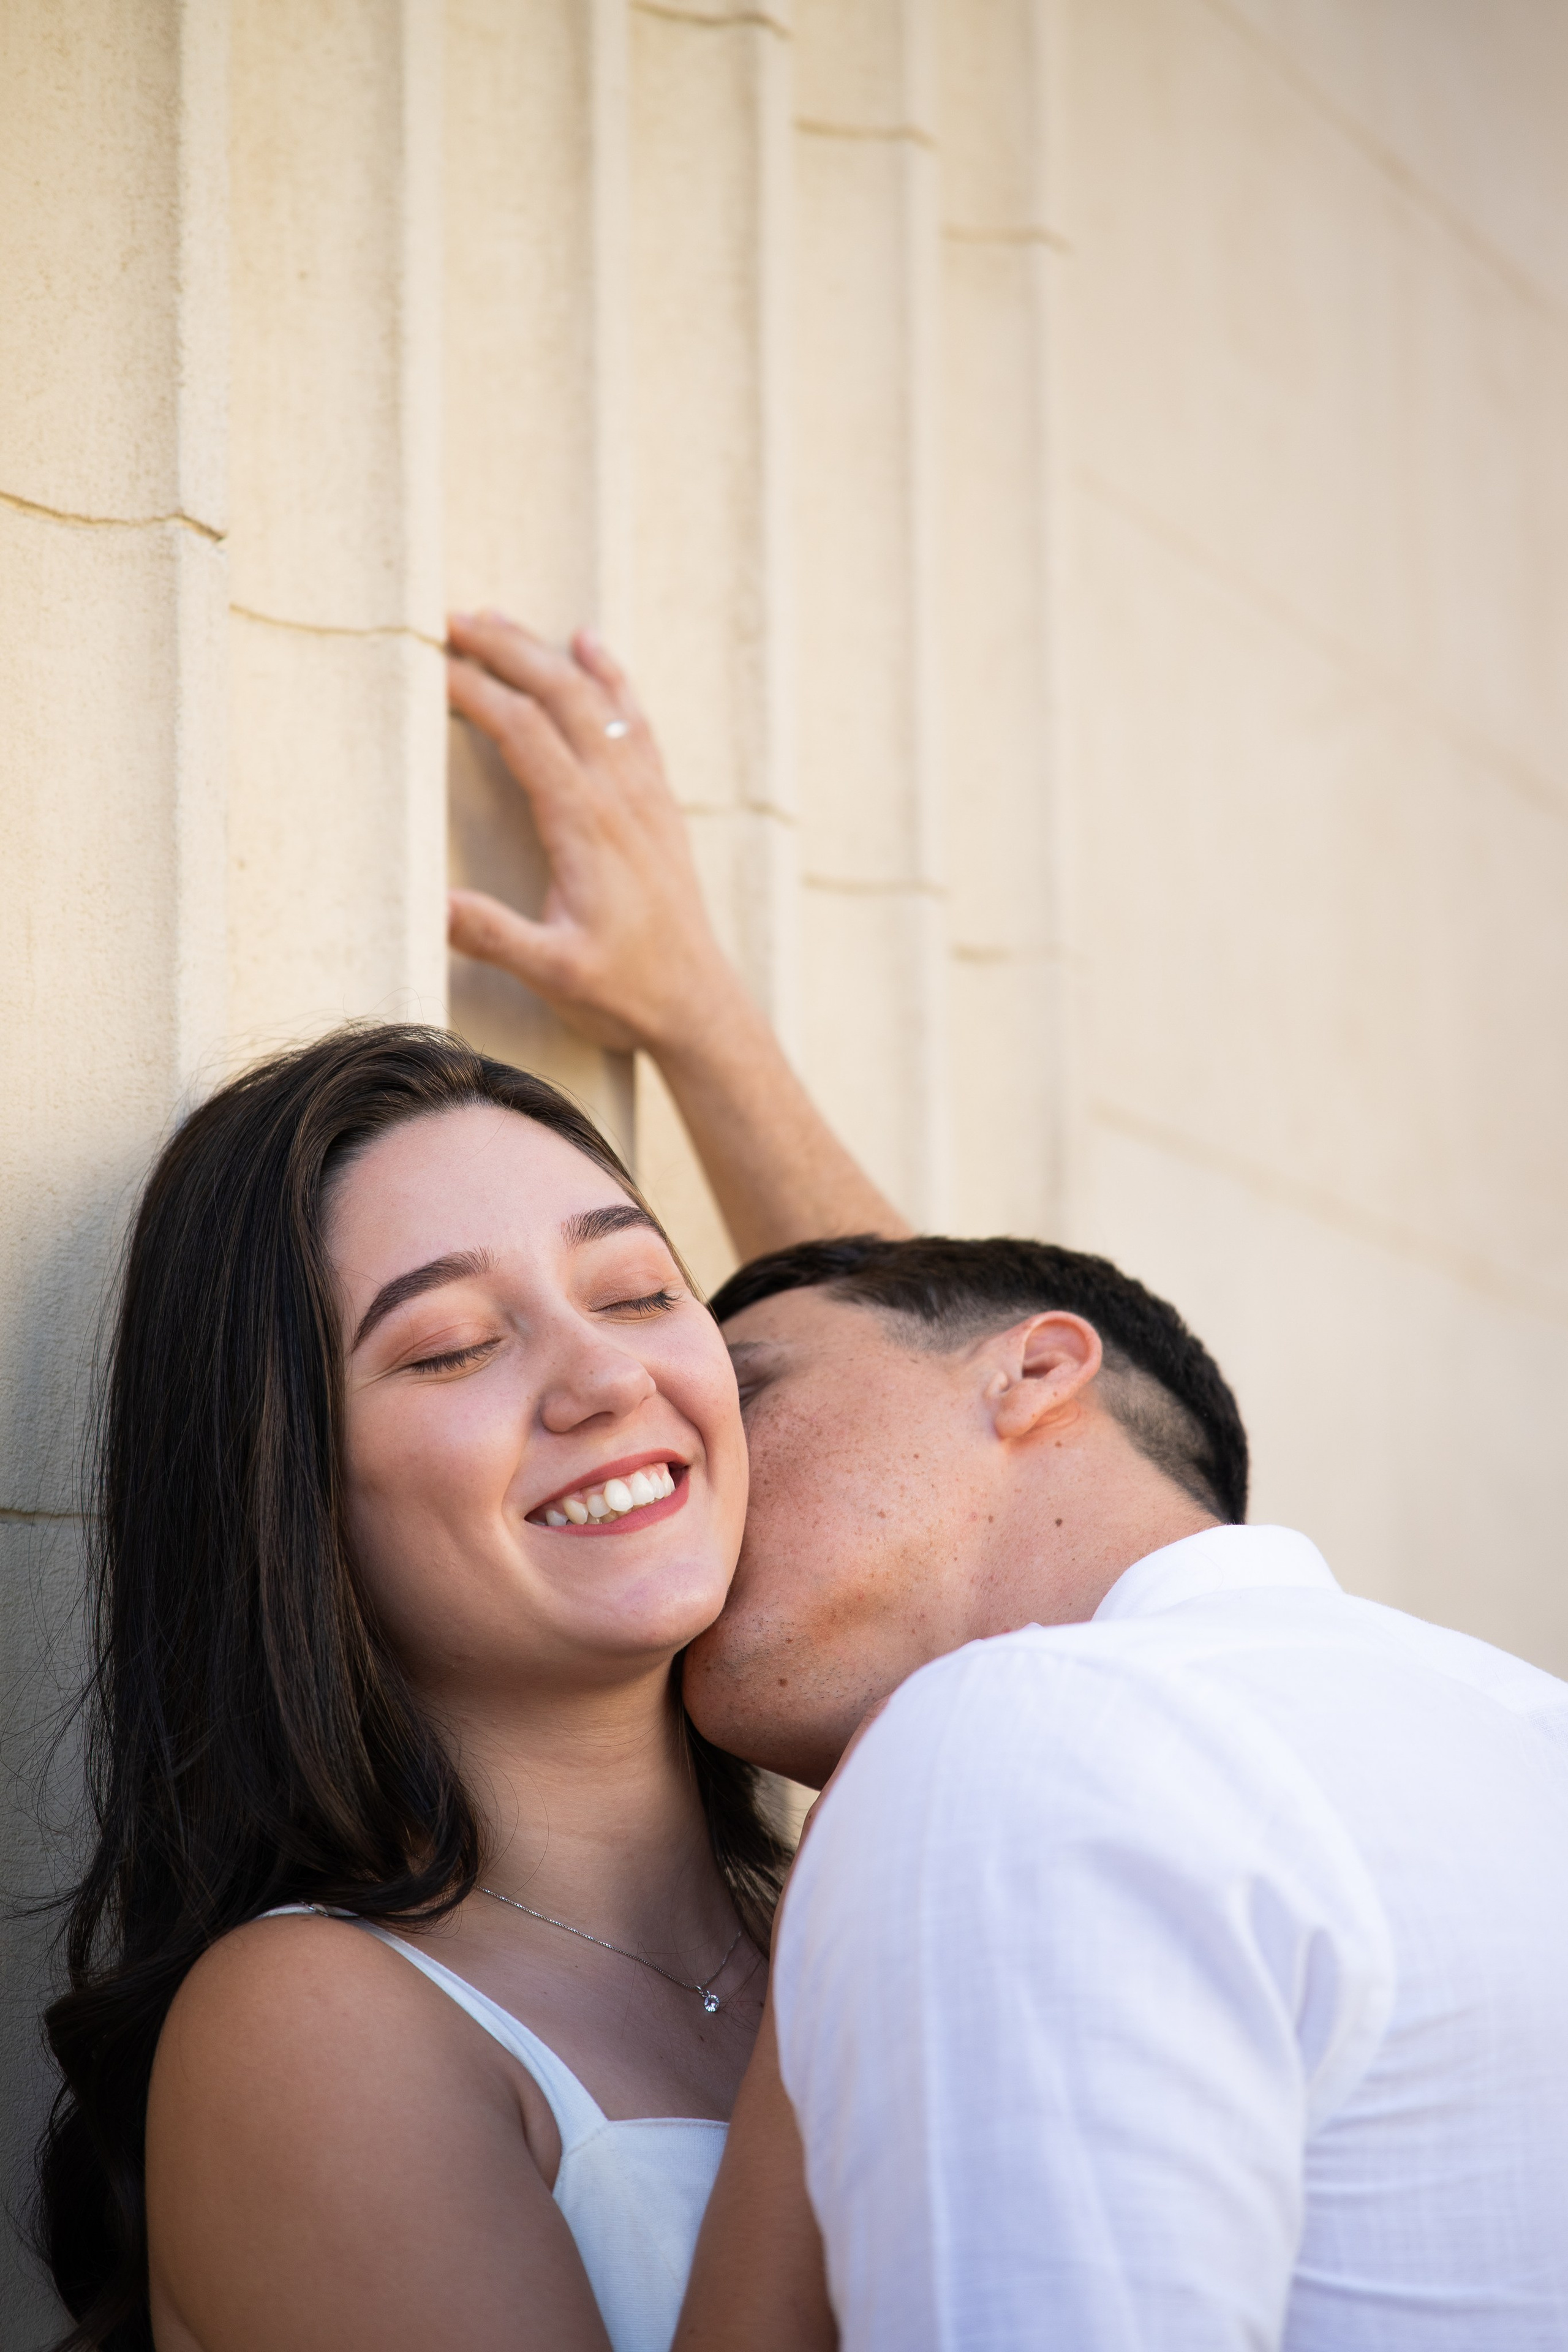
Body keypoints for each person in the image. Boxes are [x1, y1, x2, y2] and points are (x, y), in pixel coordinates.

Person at [448, 614, 1568, 2352]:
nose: (682, 1458)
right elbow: (953, 1389)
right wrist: (693, 1020)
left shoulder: (1016, 1742)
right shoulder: (1508, 1734)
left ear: (1044, 1371)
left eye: (739, 1396)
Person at [39, 1025, 789, 2352]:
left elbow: (1027, 1424)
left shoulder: (821, 1915)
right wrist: (843, 2039)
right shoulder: (308, 2021)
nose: (608, 1379)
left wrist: (697, 1016)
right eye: (448, 1348)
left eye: (633, 1294)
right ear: (290, 1492)